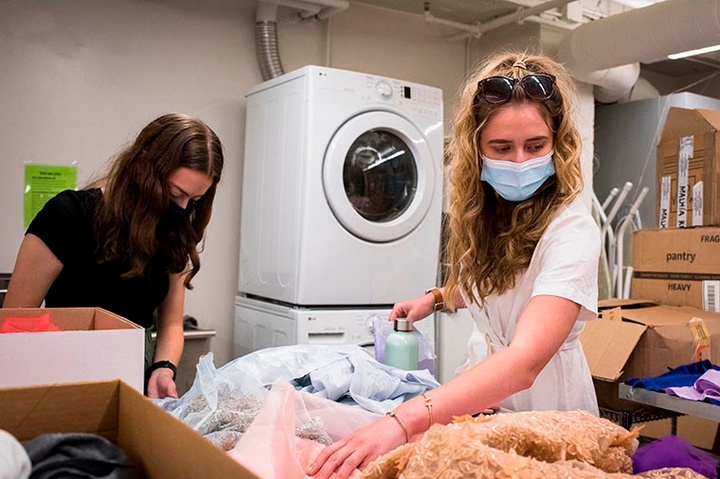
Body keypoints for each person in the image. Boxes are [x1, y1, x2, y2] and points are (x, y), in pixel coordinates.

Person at [307, 51, 601, 479]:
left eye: (535, 146)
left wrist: (402, 420)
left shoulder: (571, 230)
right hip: (491, 398)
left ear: (558, 143)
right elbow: (499, 281)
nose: (520, 162)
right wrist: (438, 298)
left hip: (548, 405)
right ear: (476, 150)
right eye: (502, 147)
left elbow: (524, 361)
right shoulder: (489, 212)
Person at [4, 113, 224, 400]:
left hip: (133, 386)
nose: (182, 209)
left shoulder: (174, 234)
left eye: (193, 201)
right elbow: (13, 325)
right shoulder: (67, 216)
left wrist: (163, 368)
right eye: (173, 194)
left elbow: (171, 322)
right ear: (143, 165)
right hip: (61, 383)